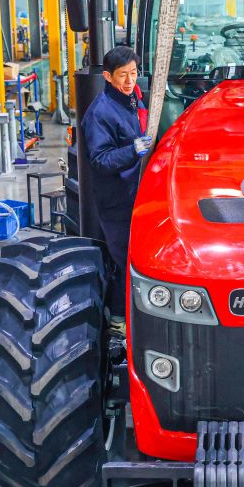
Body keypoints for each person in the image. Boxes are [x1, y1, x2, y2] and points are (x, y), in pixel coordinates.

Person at [81, 46, 151, 331]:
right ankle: (119, 320)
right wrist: (133, 150)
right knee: (125, 258)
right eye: (123, 75)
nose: (130, 80)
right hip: (117, 199)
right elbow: (100, 159)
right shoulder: (100, 112)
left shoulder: (132, 98)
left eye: (133, 73)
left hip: (138, 191)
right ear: (108, 77)